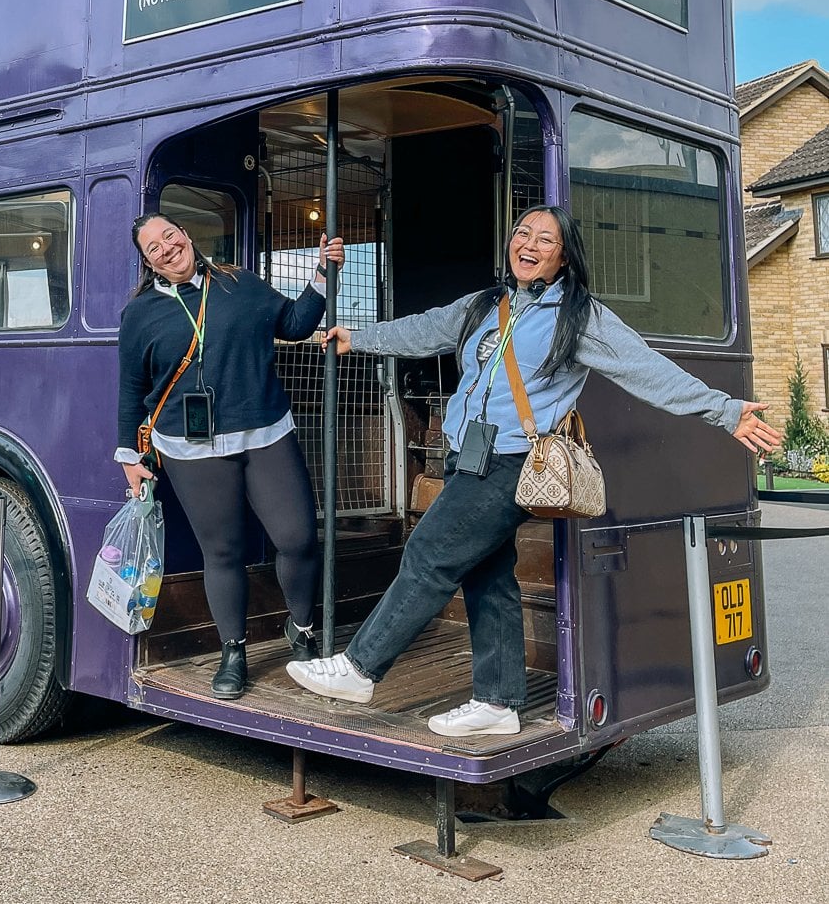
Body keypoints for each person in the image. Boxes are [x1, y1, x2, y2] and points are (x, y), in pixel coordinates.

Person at [287, 205, 783, 737]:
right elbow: (427, 329)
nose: (528, 243)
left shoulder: (579, 316)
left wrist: (723, 411)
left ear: (563, 255)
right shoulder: (488, 304)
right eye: (522, 232)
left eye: (544, 238)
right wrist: (358, 338)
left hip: (511, 460)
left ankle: (361, 668)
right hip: (465, 454)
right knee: (486, 573)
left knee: (429, 552)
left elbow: (647, 369)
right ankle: (498, 703)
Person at [116, 214, 345, 700]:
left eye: (170, 235)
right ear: (147, 261)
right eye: (153, 246)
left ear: (187, 236)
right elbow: (131, 391)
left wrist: (323, 273)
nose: (167, 247)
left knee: (298, 537)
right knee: (223, 552)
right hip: (190, 448)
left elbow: (295, 323)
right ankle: (233, 652)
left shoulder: (240, 282)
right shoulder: (139, 315)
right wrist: (130, 457)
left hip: (266, 432)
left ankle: (301, 632)